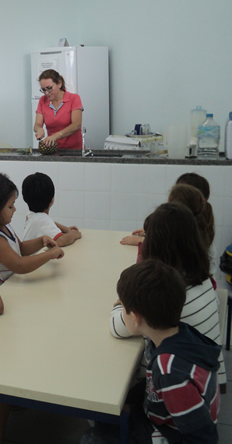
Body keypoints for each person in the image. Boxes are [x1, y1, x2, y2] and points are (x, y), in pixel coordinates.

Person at [86, 259, 220, 444]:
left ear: (135, 318)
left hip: (166, 434)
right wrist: (130, 398)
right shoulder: (177, 335)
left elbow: (203, 438)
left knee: (91, 438)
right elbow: (154, 385)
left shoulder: (171, 372)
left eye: (123, 307)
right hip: (158, 412)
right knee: (105, 415)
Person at [110, 202, 227, 392]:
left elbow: (117, 327)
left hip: (177, 388)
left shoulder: (162, 291)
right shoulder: (201, 277)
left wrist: (122, 301)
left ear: (154, 245)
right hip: (207, 382)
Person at [0, 172, 64, 289]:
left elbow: (21, 248)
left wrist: (41, 241)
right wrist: (49, 254)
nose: (14, 209)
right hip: (2, 292)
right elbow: (19, 265)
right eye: (10, 206)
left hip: (13, 286)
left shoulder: (4, 226)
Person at [120, 172, 213, 247]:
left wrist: (142, 241)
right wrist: (150, 233)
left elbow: (168, 247)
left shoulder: (187, 231)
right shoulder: (200, 221)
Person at [21, 173, 82, 246]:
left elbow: (50, 223)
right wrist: (73, 235)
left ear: (25, 198)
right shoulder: (42, 220)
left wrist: (66, 229)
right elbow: (61, 241)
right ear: (52, 200)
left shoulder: (31, 215)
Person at [33, 69, 84, 149]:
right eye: (43, 90)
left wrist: (55, 136)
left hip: (74, 150)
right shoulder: (42, 100)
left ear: (59, 84)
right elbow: (37, 124)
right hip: (53, 149)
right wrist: (39, 129)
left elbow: (76, 125)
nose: (46, 93)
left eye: (49, 88)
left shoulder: (74, 98)